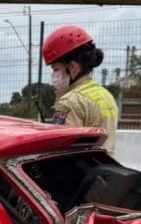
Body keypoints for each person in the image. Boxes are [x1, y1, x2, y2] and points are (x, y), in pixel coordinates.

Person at [43, 25, 120, 153]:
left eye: (56, 69)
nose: (54, 75)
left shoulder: (70, 101)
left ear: (73, 67)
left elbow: (60, 151)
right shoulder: (106, 95)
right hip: (103, 169)